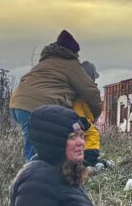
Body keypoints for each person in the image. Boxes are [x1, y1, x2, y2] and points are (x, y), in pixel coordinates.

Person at [9, 30, 103, 162]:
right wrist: (94, 115)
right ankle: (39, 173)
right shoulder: (71, 64)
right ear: (72, 52)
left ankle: (36, 170)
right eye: (77, 54)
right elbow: (90, 92)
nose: (78, 57)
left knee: (37, 144)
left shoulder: (45, 62)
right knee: (40, 151)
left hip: (17, 104)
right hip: (37, 107)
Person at [73, 61, 103, 167]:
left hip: (77, 118)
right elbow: (78, 105)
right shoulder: (84, 88)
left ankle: (79, 159)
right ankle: (90, 160)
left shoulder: (76, 85)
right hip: (78, 118)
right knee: (92, 134)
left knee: (78, 137)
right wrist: (81, 118)